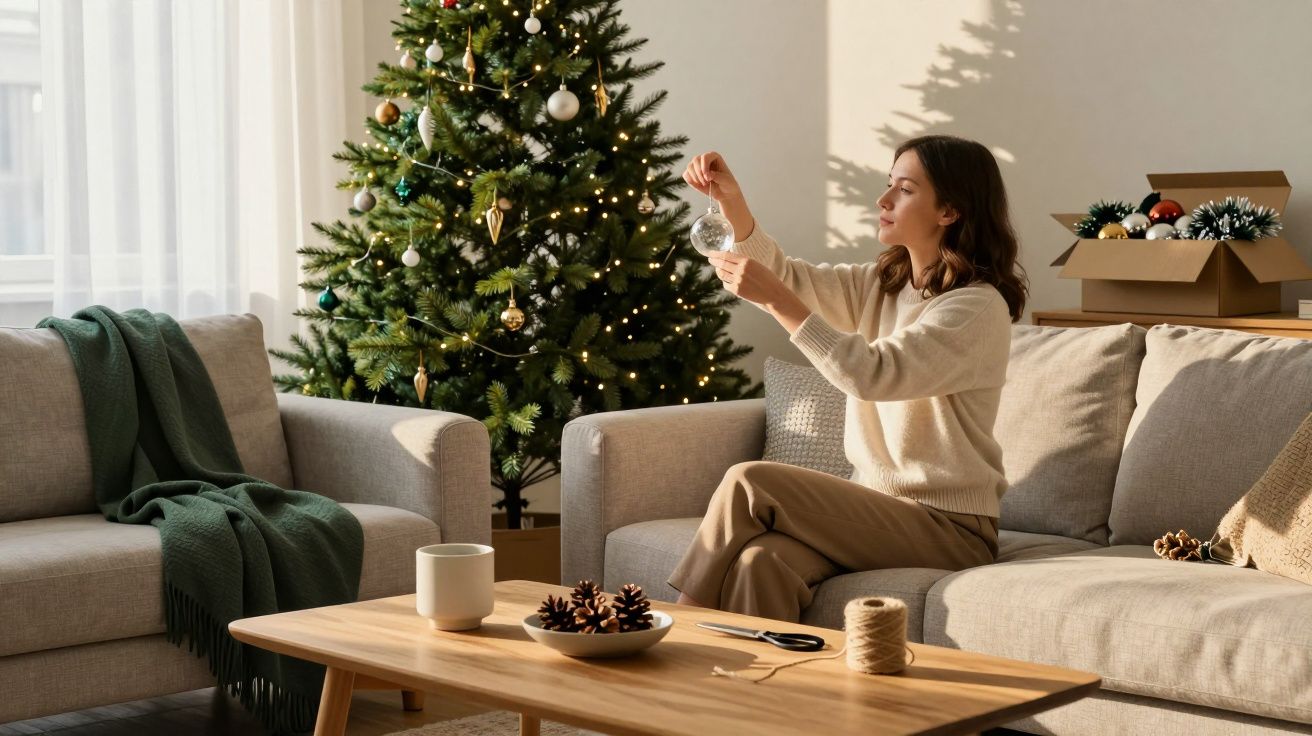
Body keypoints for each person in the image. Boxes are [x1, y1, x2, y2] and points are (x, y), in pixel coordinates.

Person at [667, 135, 1029, 622]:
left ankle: (672, 632)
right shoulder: (883, 285)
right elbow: (789, 279)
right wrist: (732, 204)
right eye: (888, 185)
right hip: (875, 511)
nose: (883, 200)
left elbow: (874, 374)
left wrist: (778, 302)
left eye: (904, 189)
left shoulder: (976, 307)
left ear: (950, 211)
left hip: (951, 529)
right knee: (762, 562)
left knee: (749, 481)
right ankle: (765, 695)